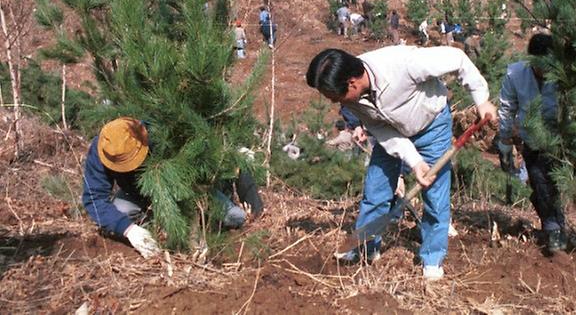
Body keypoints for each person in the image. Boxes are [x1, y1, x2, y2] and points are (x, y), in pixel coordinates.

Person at [305, 47, 497, 280]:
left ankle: (432, 259)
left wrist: (481, 99)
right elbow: (383, 132)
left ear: (352, 83)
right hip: (392, 133)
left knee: (435, 197)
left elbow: (457, 59)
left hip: (432, 126)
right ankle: (365, 249)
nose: (334, 102)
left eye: (334, 96)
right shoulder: (352, 101)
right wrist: (415, 162)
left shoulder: (402, 64)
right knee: (376, 191)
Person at [81, 118, 262, 258]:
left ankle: (224, 190)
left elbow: (198, 163)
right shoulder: (102, 149)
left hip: (186, 189)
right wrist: (129, 230)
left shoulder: (159, 133)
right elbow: (94, 199)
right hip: (137, 195)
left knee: (235, 217)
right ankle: (156, 228)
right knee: (121, 210)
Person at [496, 34, 568, 254]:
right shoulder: (516, 74)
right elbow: (507, 108)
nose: (545, 70)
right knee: (539, 182)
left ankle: (556, 226)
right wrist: (505, 141)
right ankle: (554, 229)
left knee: (551, 186)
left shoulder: (565, 75)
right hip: (533, 139)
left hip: (562, 141)